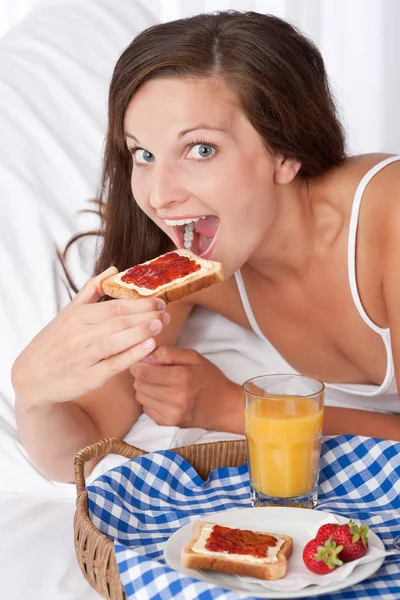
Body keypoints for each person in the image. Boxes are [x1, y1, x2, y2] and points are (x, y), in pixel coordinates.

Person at [11, 11, 400, 482]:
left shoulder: (389, 217)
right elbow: (83, 450)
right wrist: (32, 389)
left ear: (285, 151)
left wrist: (235, 409)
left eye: (200, 150)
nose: (159, 195)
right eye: (144, 155)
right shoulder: (194, 263)